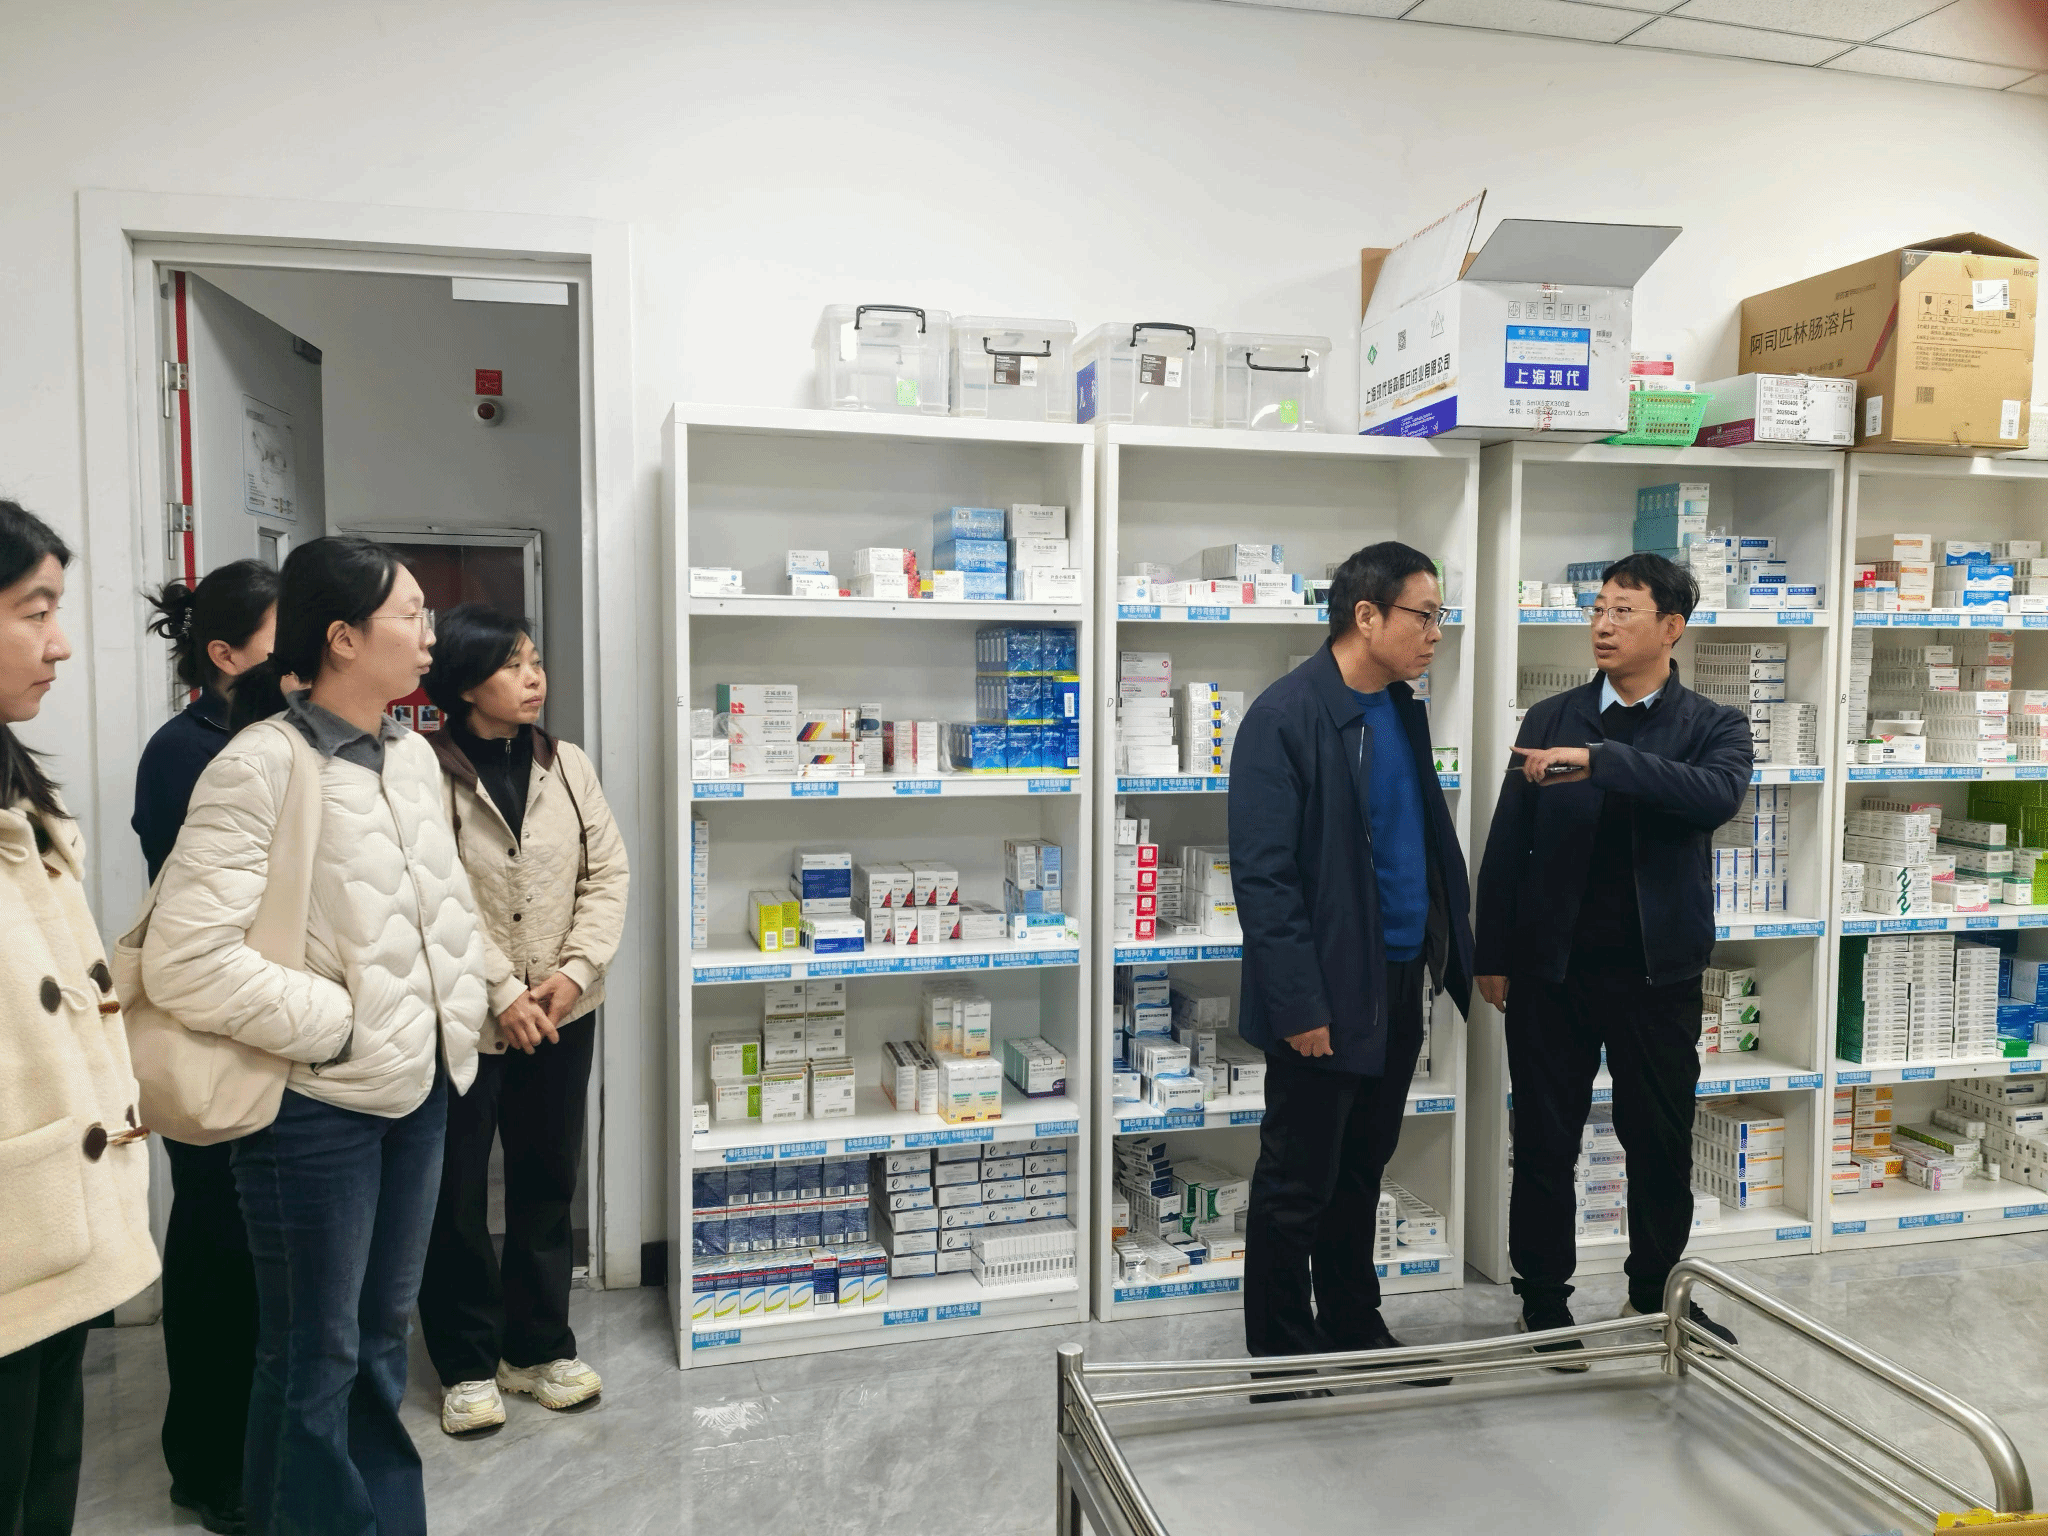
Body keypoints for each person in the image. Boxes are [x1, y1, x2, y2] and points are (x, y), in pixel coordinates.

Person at [142, 537, 489, 1536]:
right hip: (314, 1110)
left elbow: (439, 908)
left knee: (379, 1344)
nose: (428, 633)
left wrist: (469, 1002)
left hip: (418, 1090)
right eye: (410, 614)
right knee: (315, 1356)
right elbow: (185, 960)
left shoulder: (411, 755)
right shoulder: (261, 763)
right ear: (342, 638)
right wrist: (336, 1028)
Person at [1474, 553, 1752, 1366]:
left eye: (1623, 611)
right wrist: (1493, 952)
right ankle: (1542, 1301)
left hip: (1657, 976)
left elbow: (1713, 798)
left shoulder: (1713, 726)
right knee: (1545, 1143)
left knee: (1660, 1143)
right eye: (1597, 609)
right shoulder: (1550, 716)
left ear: (1671, 628)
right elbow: (1507, 847)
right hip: (1550, 973)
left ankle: (1657, 1294)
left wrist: (1603, 761)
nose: (1602, 624)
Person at [1228, 541, 1473, 1377]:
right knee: (1297, 1180)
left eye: (1439, 616)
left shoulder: (1401, 708)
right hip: (1326, 993)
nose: (1436, 632)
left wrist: (1453, 951)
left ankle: (1352, 1323)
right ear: (1366, 616)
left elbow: (1421, 841)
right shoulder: (1285, 717)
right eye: (1425, 615)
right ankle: (1281, 1355)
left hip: (1397, 978)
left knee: (1363, 1166)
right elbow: (1265, 882)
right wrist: (1300, 1005)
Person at [416, 606, 629, 1436]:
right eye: (512, 665)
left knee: (547, 1183)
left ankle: (537, 1350)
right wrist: (504, 990)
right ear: (467, 683)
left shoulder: (567, 765)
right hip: (467, 1019)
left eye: (535, 660)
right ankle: (467, 1365)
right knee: (456, 1195)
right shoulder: (424, 771)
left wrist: (572, 976)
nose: (534, 677)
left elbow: (606, 875)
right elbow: (435, 896)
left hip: (564, 1015)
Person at [0, 499, 160, 1535]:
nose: (59, 644)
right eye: (34, 610)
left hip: (48, 1226)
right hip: (17, 1231)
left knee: (45, 1475)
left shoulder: (20, 787)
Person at [133, 559, 280, 1536]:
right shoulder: (183, 752)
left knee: (266, 1260)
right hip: (211, 1032)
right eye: (282, 636)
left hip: (272, 1028)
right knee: (218, 1253)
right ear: (225, 655)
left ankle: (257, 1451)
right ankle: (208, 1464)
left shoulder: (278, 738)